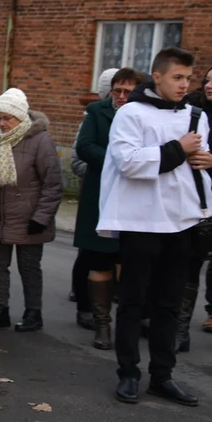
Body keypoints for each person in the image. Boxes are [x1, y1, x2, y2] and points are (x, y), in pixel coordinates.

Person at [98, 47, 212, 406]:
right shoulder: (131, 113)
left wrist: (208, 158)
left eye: (188, 78)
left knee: (169, 304)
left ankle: (162, 376)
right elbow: (129, 163)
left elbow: (198, 160)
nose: (185, 85)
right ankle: (129, 373)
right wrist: (178, 148)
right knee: (134, 302)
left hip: (181, 222)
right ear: (158, 76)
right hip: (141, 221)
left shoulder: (197, 115)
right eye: (178, 77)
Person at [0, 88, 62, 333]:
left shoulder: (41, 140)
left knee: (29, 267)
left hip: (29, 217)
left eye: (7, 118)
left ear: (21, 117)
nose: (1, 123)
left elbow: (52, 184)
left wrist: (41, 218)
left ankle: (34, 313)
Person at [73, 67, 143, 349]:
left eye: (128, 92)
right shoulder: (97, 112)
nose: (122, 97)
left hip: (133, 198)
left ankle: (128, 319)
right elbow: (85, 147)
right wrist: (121, 161)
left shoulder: (143, 114)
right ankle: (101, 324)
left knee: (126, 261)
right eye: (118, 91)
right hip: (100, 195)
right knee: (97, 258)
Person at [68, 68, 119, 310]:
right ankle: (83, 296)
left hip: (120, 195)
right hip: (96, 191)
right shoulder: (94, 116)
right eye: (116, 90)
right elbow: (79, 158)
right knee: (89, 252)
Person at [185, 64, 212, 340]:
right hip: (195, 195)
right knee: (190, 259)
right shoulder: (192, 110)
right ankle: (180, 325)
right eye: (208, 80)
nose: (210, 85)